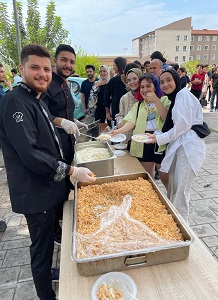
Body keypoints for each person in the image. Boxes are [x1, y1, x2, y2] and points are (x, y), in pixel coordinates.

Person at [0, 44, 95, 300]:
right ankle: (46, 294)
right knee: (41, 249)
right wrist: (72, 170)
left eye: (45, 69)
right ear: (22, 69)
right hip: (34, 192)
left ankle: (49, 274)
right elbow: (30, 154)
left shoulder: (35, 98)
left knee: (47, 242)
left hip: (46, 186)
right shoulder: (15, 102)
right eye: (35, 68)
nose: (42, 74)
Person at [146, 69, 206, 222]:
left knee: (180, 193)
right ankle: (173, 224)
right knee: (174, 190)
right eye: (163, 82)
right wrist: (157, 135)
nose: (166, 84)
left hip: (188, 149)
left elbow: (182, 127)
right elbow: (174, 127)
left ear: (176, 80)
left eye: (169, 80)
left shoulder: (183, 95)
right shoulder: (176, 98)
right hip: (181, 147)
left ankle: (181, 230)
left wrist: (159, 138)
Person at [44, 44, 87, 245]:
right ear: (55, 60)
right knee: (55, 190)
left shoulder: (66, 84)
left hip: (68, 144)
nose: (68, 65)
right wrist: (61, 121)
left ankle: (64, 219)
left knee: (64, 188)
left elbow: (66, 111)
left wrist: (74, 120)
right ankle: (54, 230)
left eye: (71, 61)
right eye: (64, 60)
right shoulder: (48, 84)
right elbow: (40, 115)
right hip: (53, 147)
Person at [111, 74, 170, 182]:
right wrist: (118, 131)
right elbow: (131, 122)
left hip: (160, 142)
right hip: (143, 142)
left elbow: (166, 118)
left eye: (148, 86)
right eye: (142, 87)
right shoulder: (138, 105)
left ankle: (170, 197)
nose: (145, 89)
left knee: (165, 176)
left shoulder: (164, 100)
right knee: (147, 177)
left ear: (155, 87)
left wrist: (156, 100)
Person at [115, 68, 143, 145]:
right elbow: (120, 115)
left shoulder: (146, 97)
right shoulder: (124, 98)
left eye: (134, 78)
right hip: (127, 139)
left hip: (142, 139)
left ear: (140, 79)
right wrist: (120, 122)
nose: (132, 82)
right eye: (129, 80)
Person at [83, 64, 111, 131]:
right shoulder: (97, 83)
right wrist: (98, 85)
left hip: (109, 110)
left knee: (109, 130)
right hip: (99, 109)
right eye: (100, 71)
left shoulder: (111, 82)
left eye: (104, 71)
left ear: (108, 72)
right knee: (99, 130)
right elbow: (91, 97)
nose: (102, 73)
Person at [104, 56, 127, 127]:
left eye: (114, 65)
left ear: (118, 65)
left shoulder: (128, 79)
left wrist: (107, 112)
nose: (113, 67)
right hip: (118, 113)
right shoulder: (113, 80)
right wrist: (107, 112)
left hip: (125, 112)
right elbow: (106, 97)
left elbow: (106, 97)